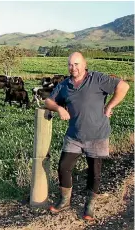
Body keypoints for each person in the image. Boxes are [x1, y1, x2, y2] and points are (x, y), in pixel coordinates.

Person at [45, 52, 130, 220]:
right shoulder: (64, 85)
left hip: (97, 135)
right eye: (70, 64)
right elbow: (48, 101)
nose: (73, 67)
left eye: (76, 64)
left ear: (84, 64)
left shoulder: (97, 79)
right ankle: (65, 200)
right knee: (63, 167)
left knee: (94, 172)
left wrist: (110, 106)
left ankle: (89, 205)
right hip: (74, 136)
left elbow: (123, 86)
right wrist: (59, 108)